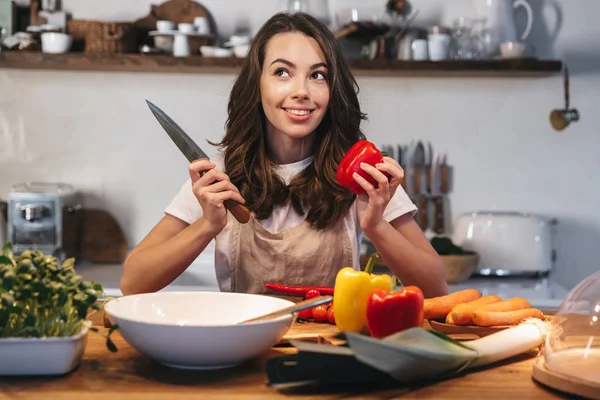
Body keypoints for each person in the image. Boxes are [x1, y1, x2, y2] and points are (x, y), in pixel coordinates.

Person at [120, 12, 448, 299]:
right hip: (244, 354)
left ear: (333, 90)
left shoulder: (362, 173)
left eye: (318, 75)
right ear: (257, 84)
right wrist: (206, 225)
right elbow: (133, 281)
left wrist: (376, 227)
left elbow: (436, 288)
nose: (301, 91)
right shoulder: (221, 177)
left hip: (331, 352)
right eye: (282, 72)